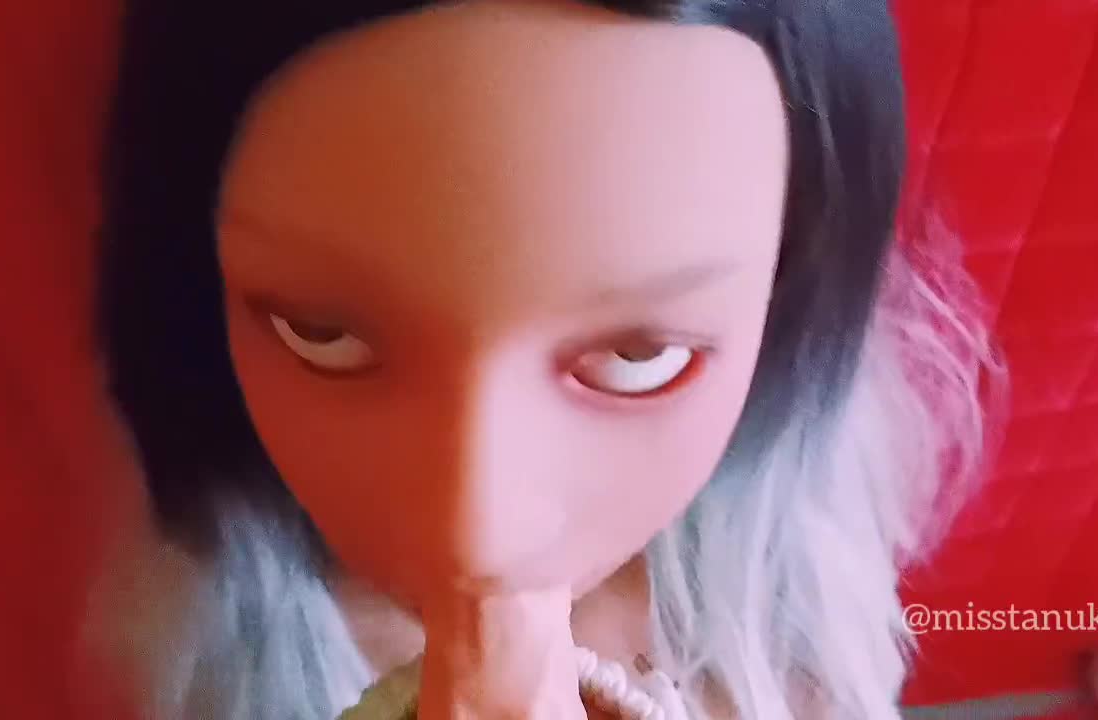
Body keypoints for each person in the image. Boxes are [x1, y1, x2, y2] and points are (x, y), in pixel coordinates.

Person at [91, 1, 998, 717]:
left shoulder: (794, 587)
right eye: (323, 333)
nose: (476, 536)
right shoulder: (200, 609)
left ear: (789, 305)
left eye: (638, 356)